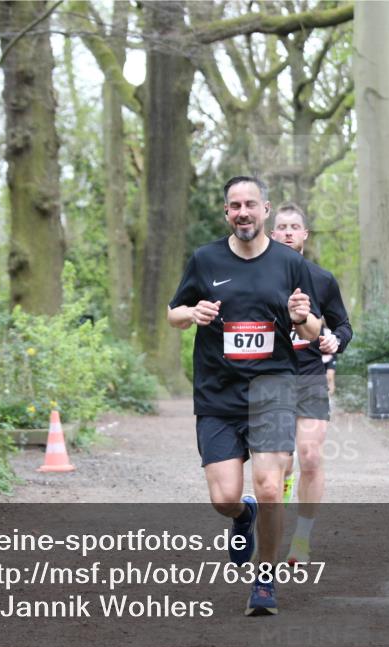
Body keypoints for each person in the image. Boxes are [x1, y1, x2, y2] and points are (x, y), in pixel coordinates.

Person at [167, 176, 321, 616]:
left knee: (271, 487)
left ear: (265, 210)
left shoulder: (289, 263)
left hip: (272, 387)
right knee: (223, 497)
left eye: (250, 204)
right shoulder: (205, 259)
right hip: (218, 393)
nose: (243, 212)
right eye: (235, 206)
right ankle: (241, 517)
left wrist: (303, 317)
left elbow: (313, 330)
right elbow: (173, 312)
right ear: (226, 213)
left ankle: (264, 579)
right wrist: (191, 313)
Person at [270, 203, 352, 565]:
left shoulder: (322, 279)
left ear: (305, 235)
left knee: (311, 455)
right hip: (269, 380)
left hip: (309, 378)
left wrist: (335, 341)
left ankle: (301, 540)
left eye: (294, 227)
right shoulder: (257, 279)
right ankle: (284, 487)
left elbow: (343, 326)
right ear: (272, 235)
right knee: (281, 464)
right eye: (282, 227)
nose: (288, 232)